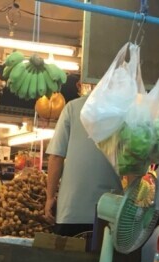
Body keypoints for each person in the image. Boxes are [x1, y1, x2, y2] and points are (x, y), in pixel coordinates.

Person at [45, 87, 122, 237]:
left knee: (70, 258)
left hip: (71, 210)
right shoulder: (122, 112)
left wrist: (50, 197)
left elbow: (56, 157)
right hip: (110, 211)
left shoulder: (72, 108)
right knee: (103, 259)